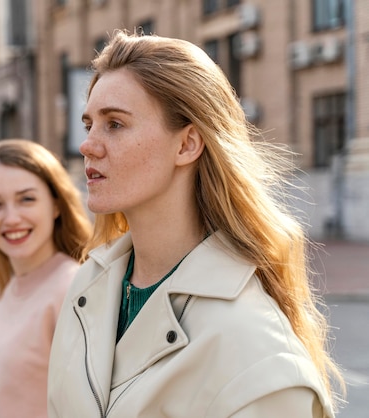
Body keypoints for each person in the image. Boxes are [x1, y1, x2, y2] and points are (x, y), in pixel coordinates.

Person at [47, 30, 345, 417]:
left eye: (115, 124)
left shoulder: (260, 359)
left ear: (187, 144)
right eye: (89, 125)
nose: (88, 144)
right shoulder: (86, 286)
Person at [0, 139, 92, 418]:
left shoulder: (71, 289)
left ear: (56, 205)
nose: (11, 218)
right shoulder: (13, 285)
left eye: (26, 199)